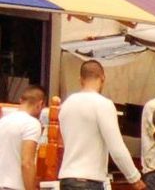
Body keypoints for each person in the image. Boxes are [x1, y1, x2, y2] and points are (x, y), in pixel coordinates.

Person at [59, 60, 146, 190]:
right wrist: (134, 178)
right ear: (103, 78)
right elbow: (116, 148)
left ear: (80, 79)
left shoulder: (66, 104)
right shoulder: (103, 104)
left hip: (67, 178)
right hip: (90, 180)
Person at [0, 86, 45, 190]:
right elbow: (27, 162)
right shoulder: (32, 124)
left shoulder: (2, 121)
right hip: (15, 186)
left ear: (21, 100)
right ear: (40, 104)